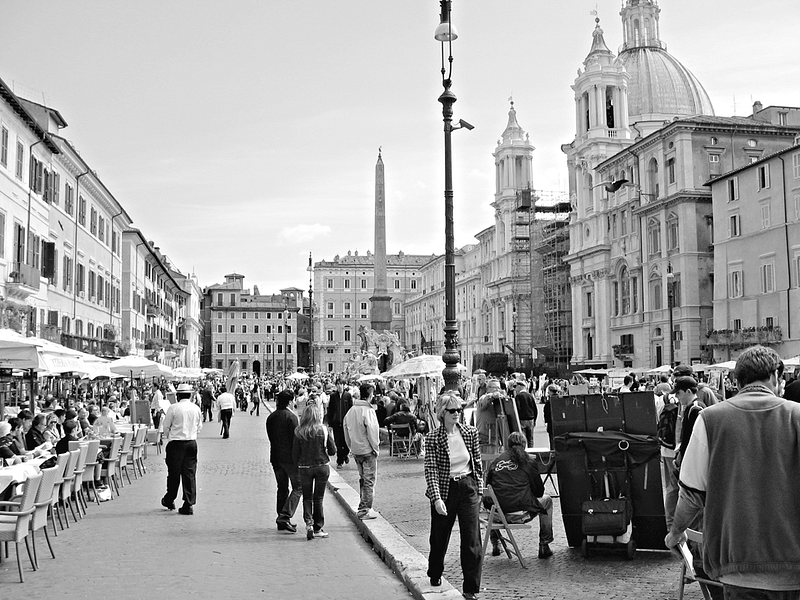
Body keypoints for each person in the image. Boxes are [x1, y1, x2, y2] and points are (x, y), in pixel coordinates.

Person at [665, 345, 800, 598]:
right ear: (774, 376)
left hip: (736, 563)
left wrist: (675, 532)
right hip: (791, 564)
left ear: (737, 382)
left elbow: (691, 493)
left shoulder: (709, 419)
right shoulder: (796, 416)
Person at [423, 393, 483, 600]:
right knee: (439, 537)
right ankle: (435, 571)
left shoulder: (470, 433)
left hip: (467, 487)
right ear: (442, 413)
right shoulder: (433, 438)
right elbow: (430, 469)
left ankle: (471, 588)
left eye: (459, 409)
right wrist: (436, 498)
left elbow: (477, 463)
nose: (457, 413)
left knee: (471, 538)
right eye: (452, 410)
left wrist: (480, 490)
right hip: (445, 488)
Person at [484, 431, 554, 559]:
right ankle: (544, 544)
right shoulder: (528, 462)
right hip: (520, 514)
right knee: (547, 501)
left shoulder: (495, 462)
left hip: (498, 515)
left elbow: (488, 493)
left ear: (508, 445)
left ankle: (496, 543)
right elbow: (539, 492)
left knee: (492, 503)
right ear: (525, 445)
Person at [292, 404, 336, 540]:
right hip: (322, 465)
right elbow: (333, 450)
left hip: (304, 468)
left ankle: (308, 523)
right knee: (318, 498)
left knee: (307, 497)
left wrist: (298, 464)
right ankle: (318, 527)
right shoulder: (323, 430)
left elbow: (294, 454)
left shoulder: (299, 431)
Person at [161, 382, 203, 515]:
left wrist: (170, 436)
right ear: (190, 395)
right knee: (189, 473)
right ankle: (188, 503)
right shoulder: (195, 408)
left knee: (174, 473)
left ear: (178, 395)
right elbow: (199, 426)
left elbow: (166, 426)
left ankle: (170, 498)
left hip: (176, 443)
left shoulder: (173, 408)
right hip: (191, 443)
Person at [343, 382, 380, 520]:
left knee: (362, 479)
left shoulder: (351, 411)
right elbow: (373, 432)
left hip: (356, 450)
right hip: (367, 450)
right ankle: (364, 510)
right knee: (369, 480)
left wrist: (350, 447)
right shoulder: (368, 411)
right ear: (370, 395)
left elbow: (346, 430)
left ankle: (362, 505)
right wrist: (375, 448)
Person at [266, 389, 301, 533]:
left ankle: (281, 518)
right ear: (291, 401)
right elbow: (296, 439)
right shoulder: (291, 417)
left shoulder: (271, 417)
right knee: (298, 487)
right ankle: (285, 517)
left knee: (282, 488)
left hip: (276, 457)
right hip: (290, 460)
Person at [326, 379, 352, 468]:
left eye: (341, 384)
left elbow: (350, 409)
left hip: (346, 423)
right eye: (338, 384)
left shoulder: (348, 396)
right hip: (336, 422)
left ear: (344, 385)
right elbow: (330, 410)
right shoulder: (333, 396)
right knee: (338, 442)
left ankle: (345, 454)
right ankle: (339, 461)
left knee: (346, 442)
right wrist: (330, 423)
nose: (340, 386)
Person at [475, 378, 503, 454]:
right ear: (488, 388)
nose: (497, 390)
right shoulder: (484, 398)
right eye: (495, 387)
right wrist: (492, 396)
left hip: (495, 437)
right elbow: (484, 402)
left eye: (498, 388)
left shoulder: (499, 400)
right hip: (485, 437)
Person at [514, 380, 538, 448]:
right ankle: (531, 453)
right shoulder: (530, 396)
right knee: (530, 439)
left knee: (522, 439)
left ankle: (524, 453)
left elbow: (517, 409)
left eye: (516, 387)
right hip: (531, 419)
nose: (515, 389)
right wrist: (534, 419)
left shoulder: (518, 396)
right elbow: (535, 409)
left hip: (522, 419)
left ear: (520, 387)